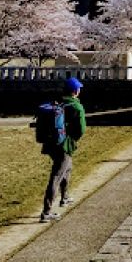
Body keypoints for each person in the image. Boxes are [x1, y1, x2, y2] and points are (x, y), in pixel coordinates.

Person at [40, 76, 86, 222]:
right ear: (75, 91)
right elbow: (81, 129)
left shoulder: (58, 103)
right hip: (64, 144)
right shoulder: (77, 106)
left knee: (67, 167)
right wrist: (72, 139)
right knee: (57, 175)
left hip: (51, 143)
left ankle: (64, 197)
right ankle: (46, 212)